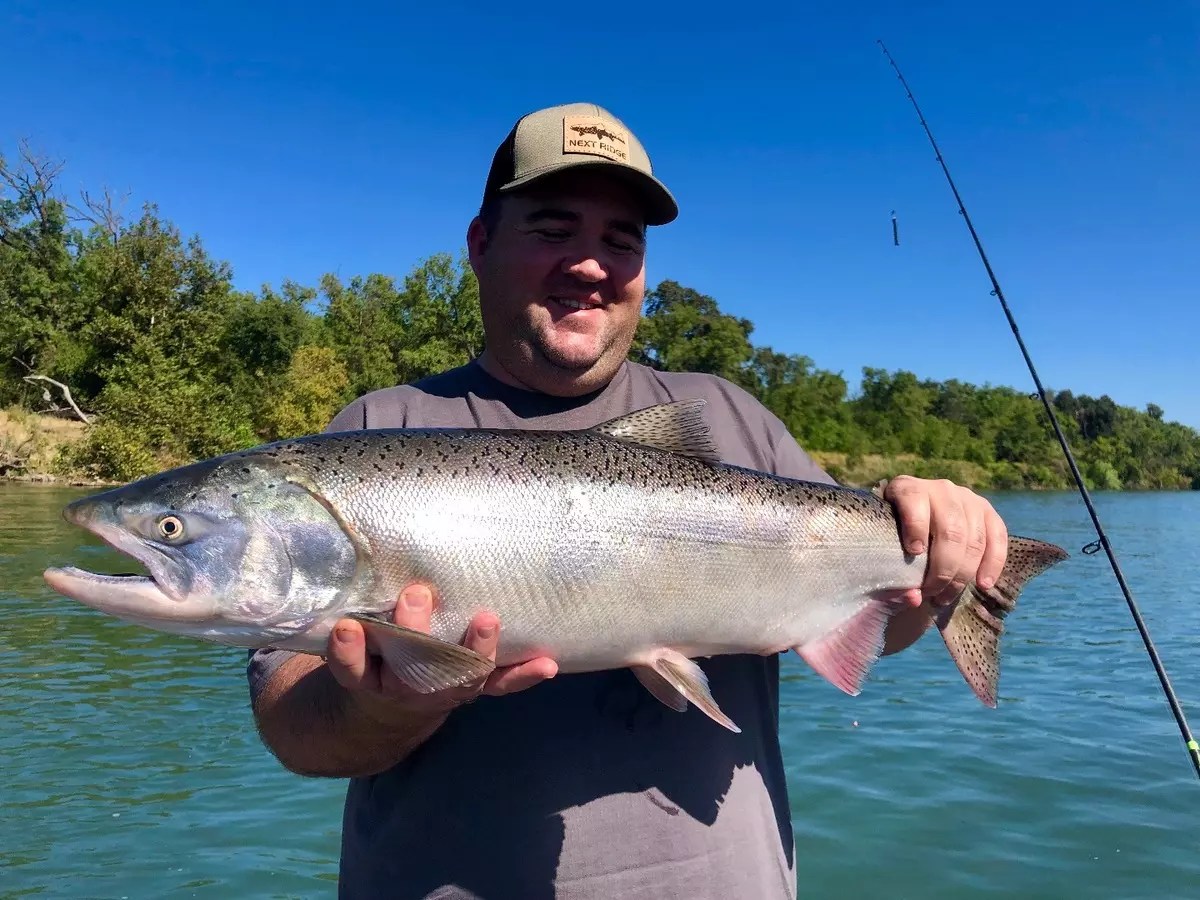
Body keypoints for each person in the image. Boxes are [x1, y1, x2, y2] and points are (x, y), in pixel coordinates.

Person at [247, 102, 1010, 899]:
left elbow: (870, 625)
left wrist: (948, 558)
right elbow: (292, 727)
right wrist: (389, 711)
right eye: (552, 228)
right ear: (480, 245)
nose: (591, 264)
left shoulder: (732, 418)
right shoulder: (375, 434)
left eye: (622, 240)